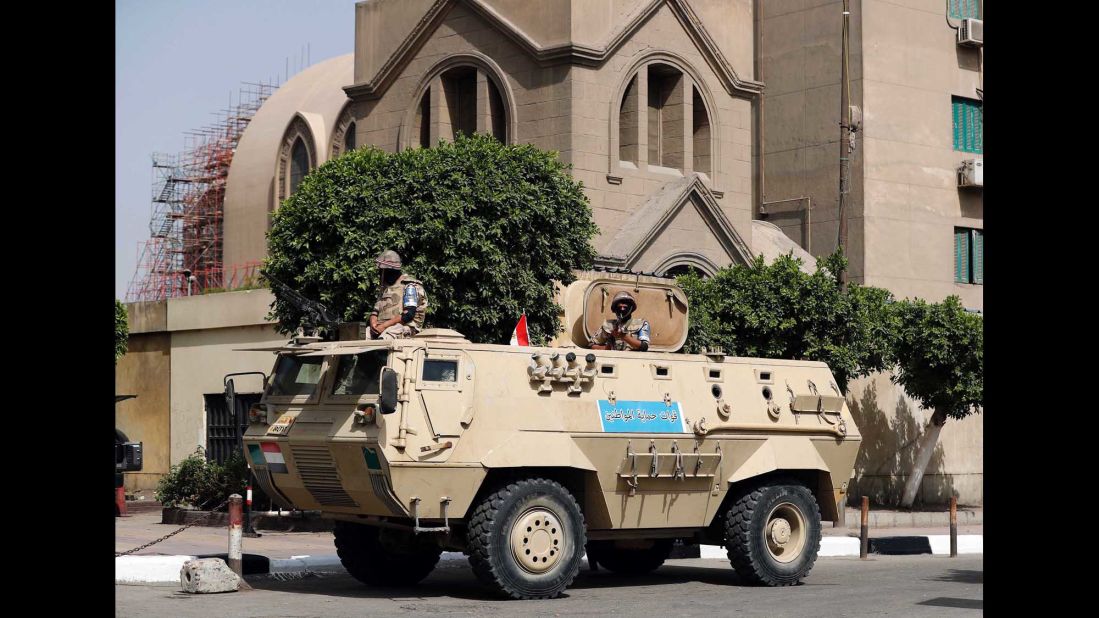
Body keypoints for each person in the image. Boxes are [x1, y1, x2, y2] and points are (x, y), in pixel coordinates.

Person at [368, 250, 428, 339]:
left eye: (382, 271)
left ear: (390, 271)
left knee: (385, 339)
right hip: (382, 327)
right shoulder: (385, 288)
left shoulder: (409, 286)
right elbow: (375, 312)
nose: (380, 274)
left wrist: (384, 326)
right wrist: (373, 323)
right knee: (358, 336)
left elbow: (408, 315)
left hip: (404, 328)